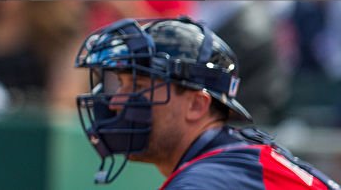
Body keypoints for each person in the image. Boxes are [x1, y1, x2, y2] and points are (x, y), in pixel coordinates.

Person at [75, 16, 340, 187]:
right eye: (121, 84)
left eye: (139, 86)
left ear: (196, 105)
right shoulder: (235, 162)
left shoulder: (207, 180)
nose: (116, 101)